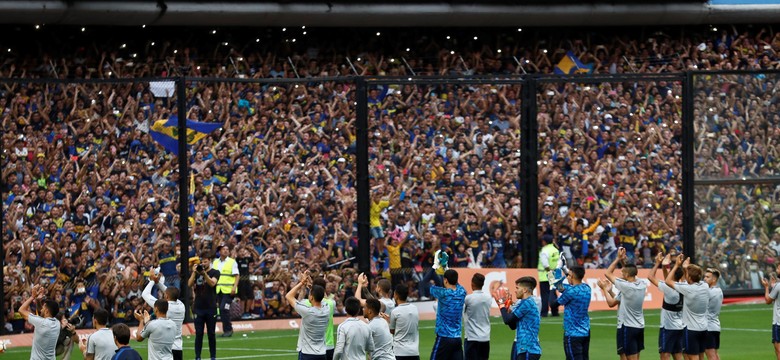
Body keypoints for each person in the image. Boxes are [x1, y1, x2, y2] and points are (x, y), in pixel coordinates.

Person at [598, 247, 647, 360]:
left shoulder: (626, 287)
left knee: (627, 357)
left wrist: (604, 289)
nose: (620, 274)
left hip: (627, 327)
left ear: (626, 275)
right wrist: (623, 260)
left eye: (622, 273)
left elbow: (608, 273)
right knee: (635, 355)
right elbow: (631, 271)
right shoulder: (641, 284)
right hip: (639, 325)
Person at [664, 254, 709, 360]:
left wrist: (676, 266)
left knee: (692, 357)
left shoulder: (688, 289)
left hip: (691, 329)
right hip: (703, 328)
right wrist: (686, 269)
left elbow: (668, 281)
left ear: (689, 277)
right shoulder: (704, 286)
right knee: (701, 356)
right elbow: (690, 279)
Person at [648, 253, 684, 360]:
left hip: (668, 328)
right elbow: (668, 281)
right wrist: (665, 267)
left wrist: (657, 263)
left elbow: (650, 277)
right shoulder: (684, 287)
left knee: (665, 355)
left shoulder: (670, 291)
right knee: (677, 355)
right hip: (680, 327)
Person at [286, 271, 330, 360]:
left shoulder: (307, 311)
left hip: (307, 354)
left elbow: (289, 296)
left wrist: (302, 282)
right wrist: (310, 285)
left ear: (311, 297)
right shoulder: (327, 308)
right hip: (322, 353)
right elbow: (321, 295)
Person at [497, 276, 542, 360]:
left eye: (517, 288)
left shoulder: (527, 303)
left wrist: (501, 305)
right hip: (523, 347)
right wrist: (507, 309)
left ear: (524, 290)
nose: (515, 291)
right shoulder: (524, 303)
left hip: (528, 348)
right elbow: (512, 326)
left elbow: (507, 320)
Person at [143, 271, 186, 360]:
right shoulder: (182, 305)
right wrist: (157, 282)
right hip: (178, 347)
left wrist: (151, 280)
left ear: (166, 296)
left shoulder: (164, 306)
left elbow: (145, 294)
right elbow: (170, 292)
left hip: (166, 347)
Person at [555, 266, 591, 360]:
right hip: (585, 331)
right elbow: (564, 288)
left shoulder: (571, 292)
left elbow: (553, 304)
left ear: (573, 276)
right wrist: (564, 268)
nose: (567, 277)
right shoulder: (587, 288)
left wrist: (553, 286)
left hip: (572, 333)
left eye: (569, 275)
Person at [189, 251, 220, 360]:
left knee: (211, 334)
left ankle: (213, 356)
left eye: (205, 261)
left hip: (211, 307)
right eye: (202, 261)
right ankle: (198, 357)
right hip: (199, 307)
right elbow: (189, 284)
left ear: (209, 261)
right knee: (199, 334)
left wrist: (204, 274)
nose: (203, 263)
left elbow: (212, 283)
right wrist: (194, 272)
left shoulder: (215, 272)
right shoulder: (197, 273)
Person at [429, 269, 466, 360]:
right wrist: (446, 268)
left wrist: (434, 267)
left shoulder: (442, 293)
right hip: (457, 338)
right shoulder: (462, 292)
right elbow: (457, 285)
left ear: (445, 280)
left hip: (443, 338)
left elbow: (424, 283)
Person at [19, 284, 60, 360]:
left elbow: (21, 310)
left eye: (43, 308)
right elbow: (43, 315)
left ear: (47, 311)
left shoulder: (41, 323)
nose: (41, 309)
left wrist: (32, 297)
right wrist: (38, 301)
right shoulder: (57, 323)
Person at [304, 277, 337, 360]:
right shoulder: (331, 303)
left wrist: (310, 288)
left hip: (313, 347)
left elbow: (298, 300)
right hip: (329, 344)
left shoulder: (306, 303)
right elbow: (324, 298)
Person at [212, 245, 239, 337]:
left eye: (227, 249)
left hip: (228, 291)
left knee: (224, 308)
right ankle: (227, 330)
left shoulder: (232, 262)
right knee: (222, 309)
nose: (226, 251)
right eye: (223, 249)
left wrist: (234, 287)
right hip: (218, 290)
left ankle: (228, 329)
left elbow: (237, 276)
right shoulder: (215, 262)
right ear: (219, 251)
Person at [464, 273, 491, 360]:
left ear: (472, 284)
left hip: (471, 337)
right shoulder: (488, 298)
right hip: (485, 337)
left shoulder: (468, 299)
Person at [389, 283, 420, 360]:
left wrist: (388, 322)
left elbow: (392, 331)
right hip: (414, 352)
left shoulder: (395, 311)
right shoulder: (414, 308)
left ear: (396, 295)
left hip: (399, 352)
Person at [538, 234, 560, 317]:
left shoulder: (544, 250)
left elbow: (545, 264)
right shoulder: (555, 249)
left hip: (545, 275)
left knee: (545, 295)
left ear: (545, 241)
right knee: (553, 293)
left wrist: (549, 272)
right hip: (554, 273)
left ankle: (544, 312)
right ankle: (555, 311)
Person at [761, 263, 780, 360]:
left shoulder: (778, 286)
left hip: (778, 322)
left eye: (778, 268)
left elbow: (768, 300)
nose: (777, 269)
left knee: (778, 349)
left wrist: (767, 287)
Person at [704, 268, 723, 360]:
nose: (704, 279)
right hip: (715, 326)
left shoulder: (709, 292)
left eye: (707, 277)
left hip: (708, 327)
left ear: (714, 279)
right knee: (715, 354)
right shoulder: (718, 290)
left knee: (710, 355)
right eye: (705, 276)